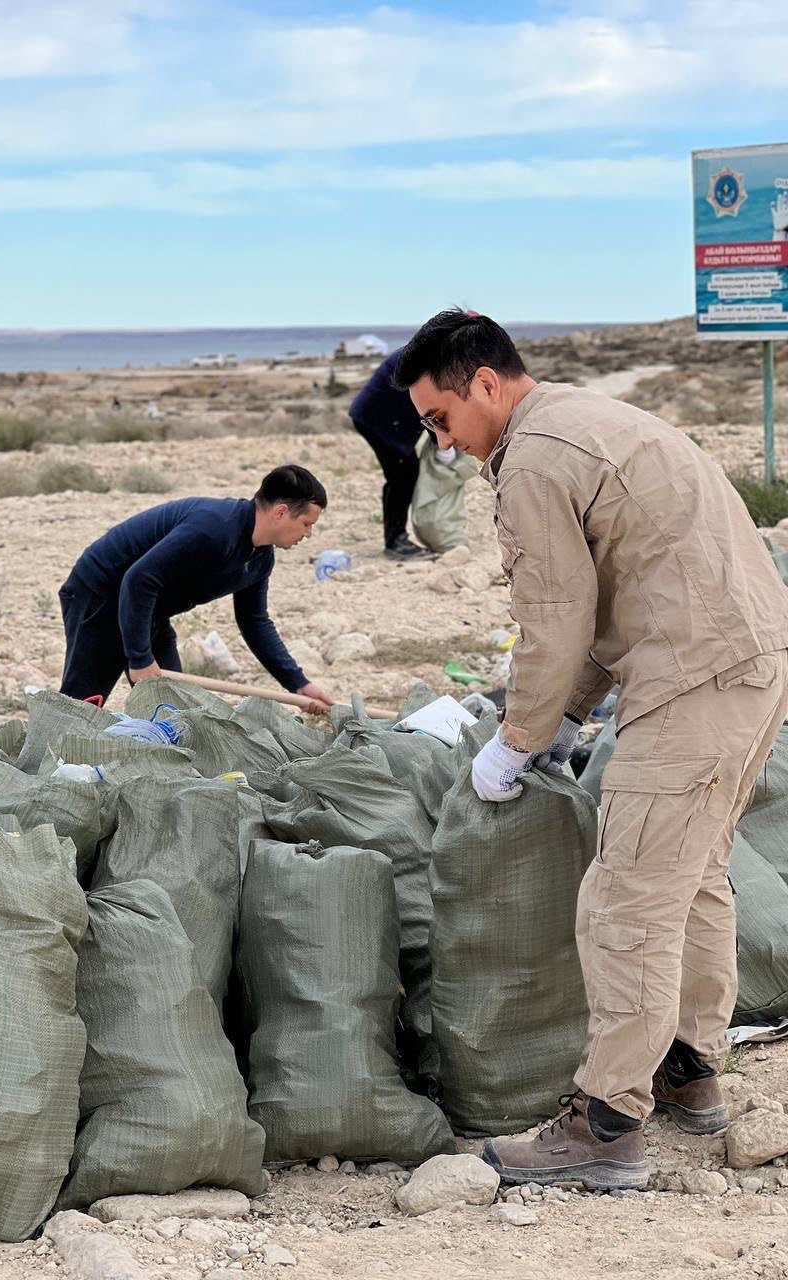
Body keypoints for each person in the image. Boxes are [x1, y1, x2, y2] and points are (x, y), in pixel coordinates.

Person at [394, 309, 788, 1190]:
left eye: (441, 419)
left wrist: (520, 737)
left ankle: (607, 1125)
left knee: (625, 901)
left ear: (485, 384)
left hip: (691, 675)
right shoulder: (588, 417)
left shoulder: (533, 457)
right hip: (750, 663)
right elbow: (615, 593)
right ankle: (689, 1074)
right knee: (693, 878)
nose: (445, 445)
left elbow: (556, 614)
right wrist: (569, 717)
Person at [58, 464, 336, 713]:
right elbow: (138, 579)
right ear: (281, 512)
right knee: (80, 708)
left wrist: (298, 685)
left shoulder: (260, 557)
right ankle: (48, 762)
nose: (308, 534)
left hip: (145, 607)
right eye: (307, 524)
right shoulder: (214, 529)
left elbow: (254, 622)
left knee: (171, 708)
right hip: (99, 592)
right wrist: (140, 660)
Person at [349, 350, 433, 559]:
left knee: (402, 473)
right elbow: (431, 402)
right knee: (403, 474)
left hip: (384, 418)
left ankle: (395, 538)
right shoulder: (430, 358)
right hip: (377, 419)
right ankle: (395, 542)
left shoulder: (431, 349)